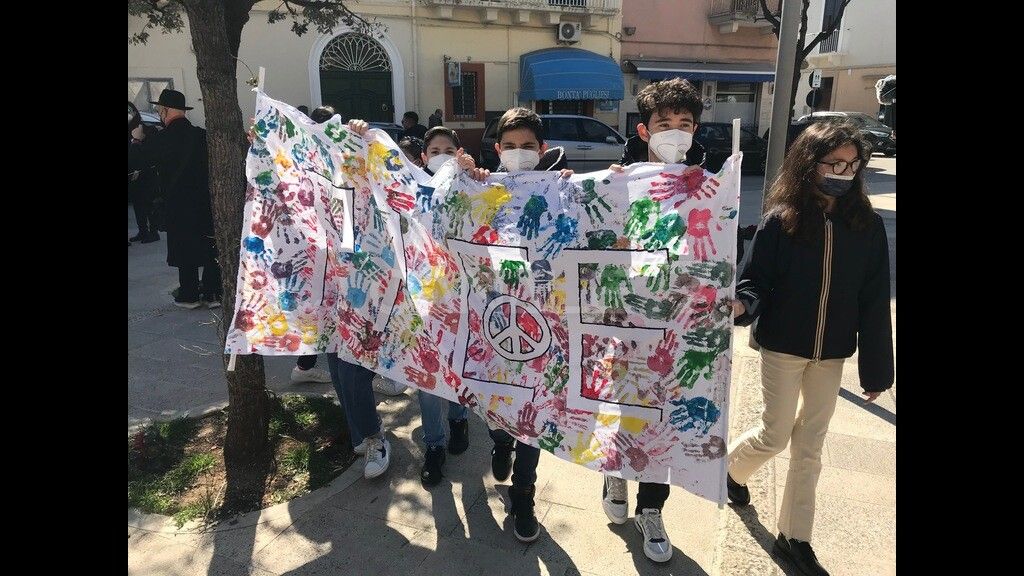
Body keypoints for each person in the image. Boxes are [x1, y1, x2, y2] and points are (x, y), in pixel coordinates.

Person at [727, 121, 894, 576]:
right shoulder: (781, 221)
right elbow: (755, 280)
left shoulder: (867, 226)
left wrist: (878, 371)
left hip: (832, 352)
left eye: (852, 164)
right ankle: (731, 471)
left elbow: (874, 300)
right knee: (775, 434)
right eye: (833, 163)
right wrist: (742, 304)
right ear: (809, 163)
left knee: (810, 447)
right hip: (783, 347)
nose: (843, 172)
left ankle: (794, 537)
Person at [601, 78, 704, 563]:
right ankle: (616, 471)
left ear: (695, 129)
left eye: (685, 123)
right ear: (644, 130)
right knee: (626, 407)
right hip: (625, 320)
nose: (675, 132)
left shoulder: (709, 183)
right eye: (665, 123)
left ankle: (652, 509)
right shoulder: (620, 180)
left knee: (667, 416)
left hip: (678, 324)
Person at [485, 106, 570, 543]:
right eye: (511, 146)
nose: (519, 153)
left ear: (542, 149)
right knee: (497, 405)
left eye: (528, 146)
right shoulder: (481, 189)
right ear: (498, 150)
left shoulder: (561, 191)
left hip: (542, 325)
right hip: (493, 323)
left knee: (534, 415)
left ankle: (524, 495)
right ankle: (500, 441)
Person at [129, 89, 221, 309]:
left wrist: (136, 140)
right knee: (209, 247)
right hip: (205, 201)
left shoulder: (163, 138)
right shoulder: (201, 135)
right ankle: (212, 293)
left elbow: (137, 162)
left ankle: (189, 295)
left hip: (177, 203)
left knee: (184, 248)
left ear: (164, 110)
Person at [128, 102, 160, 244]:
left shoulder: (147, 130)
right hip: (132, 175)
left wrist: (137, 141)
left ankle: (153, 232)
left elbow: (149, 154)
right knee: (138, 204)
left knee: (149, 204)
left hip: (146, 174)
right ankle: (142, 231)